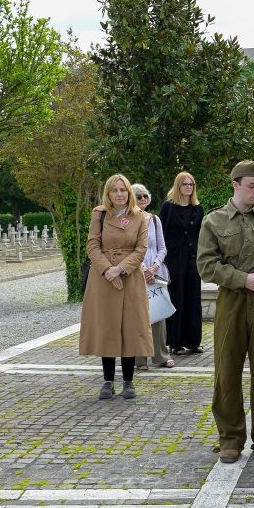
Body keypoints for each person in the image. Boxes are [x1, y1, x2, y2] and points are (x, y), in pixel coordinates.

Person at [197, 160, 254, 464]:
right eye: (251, 186)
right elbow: (206, 265)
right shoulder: (214, 221)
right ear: (235, 185)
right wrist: (242, 279)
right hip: (232, 302)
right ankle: (230, 438)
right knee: (227, 370)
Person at [79, 174, 153, 400]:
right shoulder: (99, 214)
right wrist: (108, 271)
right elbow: (92, 245)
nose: (119, 194)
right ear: (108, 193)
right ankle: (108, 381)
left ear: (129, 192)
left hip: (129, 276)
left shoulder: (140, 216)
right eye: (115, 190)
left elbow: (142, 249)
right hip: (103, 279)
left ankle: (129, 381)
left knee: (130, 328)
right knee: (107, 328)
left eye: (123, 190)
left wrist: (120, 269)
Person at [160, 171, 204, 356]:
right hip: (174, 260)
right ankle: (175, 342)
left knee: (193, 300)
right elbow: (160, 232)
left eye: (191, 184)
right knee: (176, 298)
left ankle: (194, 341)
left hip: (193, 261)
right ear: (178, 186)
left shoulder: (198, 208)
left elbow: (202, 234)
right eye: (185, 184)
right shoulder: (168, 207)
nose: (188, 187)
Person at [132, 184, 175, 371]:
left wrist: (154, 267)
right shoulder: (127, 221)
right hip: (135, 273)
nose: (143, 200)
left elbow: (162, 247)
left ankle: (162, 356)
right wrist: (142, 269)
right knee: (138, 317)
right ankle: (139, 359)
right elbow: (130, 249)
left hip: (155, 272)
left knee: (159, 316)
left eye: (145, 196)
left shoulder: (155, 220)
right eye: (139, 196)